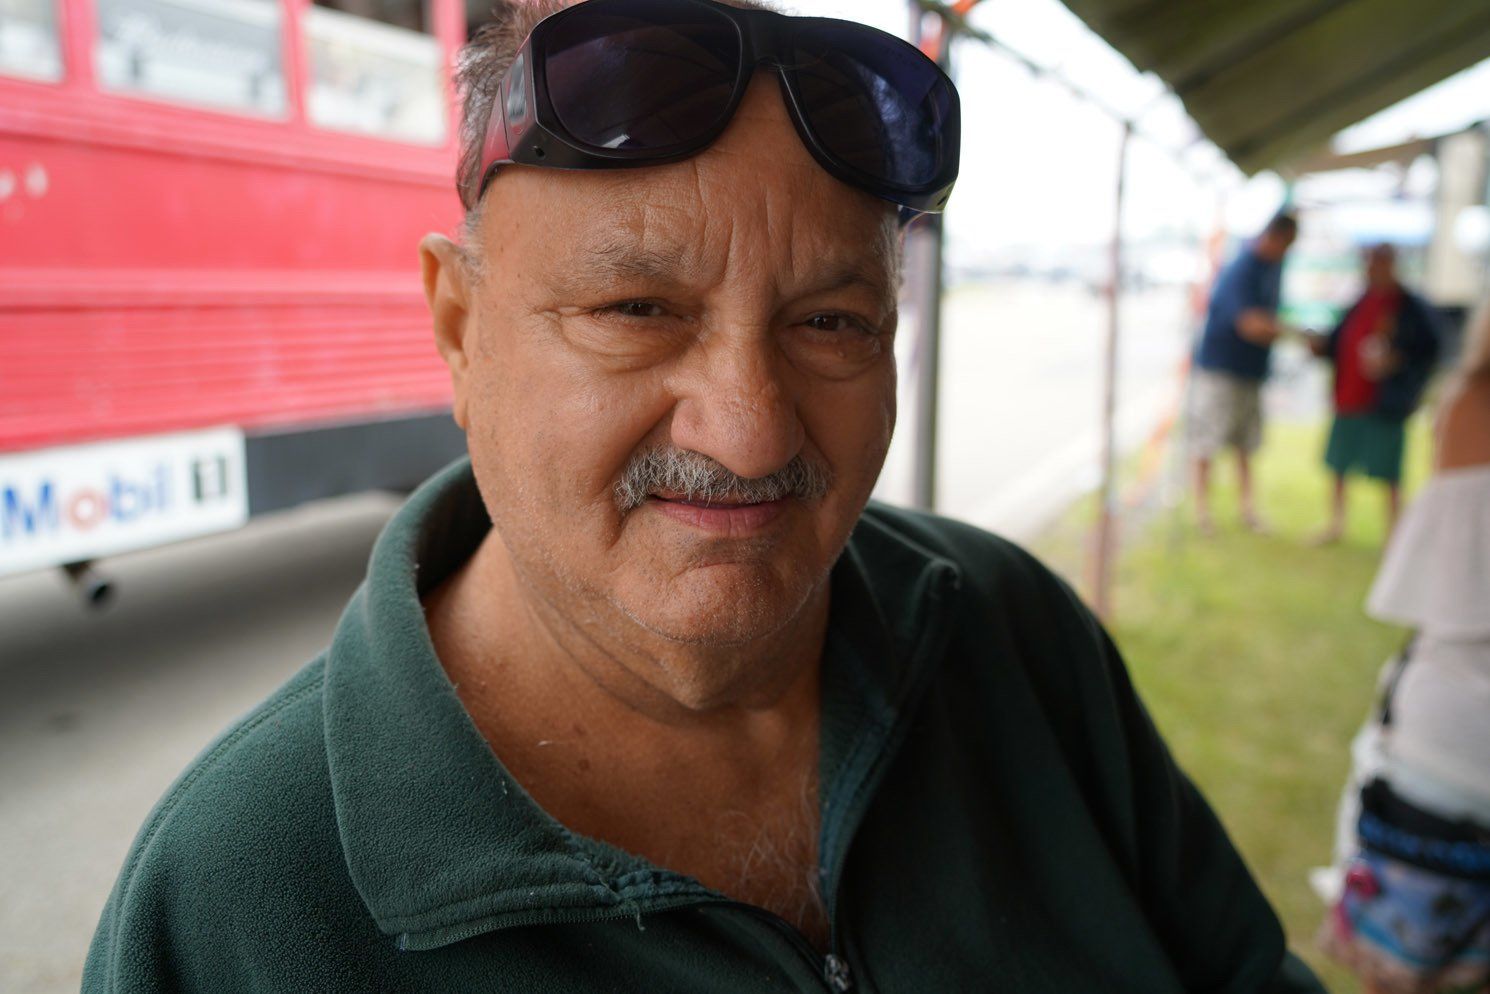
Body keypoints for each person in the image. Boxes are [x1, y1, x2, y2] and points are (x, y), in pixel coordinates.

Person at [83, 2, 1324, 990]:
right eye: (636, 311)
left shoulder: (1009, 631)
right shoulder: (237, 900)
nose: (745, 432)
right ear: (460, 330)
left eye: (830, 322)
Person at [1318, 300, 1490, 993]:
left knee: (1397, 971)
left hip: (1447, 731)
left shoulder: (1471, 406)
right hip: (1446, 737)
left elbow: (1447, 576)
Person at [1310, 244, 1440, 543]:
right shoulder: (1360, 301)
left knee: (1388, 469)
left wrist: (1398, 360)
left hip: (1385, 401)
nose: (1371, 270)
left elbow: (1429, 349)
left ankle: (1395, 531)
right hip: (1350, 396)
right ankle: (1336, 524)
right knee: (1340, 462)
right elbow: (1337, 341)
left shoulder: (1409, 306)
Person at [1189, 212, 1299, 534]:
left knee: (1246, 443)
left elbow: (1263, 322)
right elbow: (1249, 325)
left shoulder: (1273, 268)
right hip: (1222, 368)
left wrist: (1275, 329)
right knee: (1208, 439)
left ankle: (1247, 509)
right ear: (1275, 237)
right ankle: (1202, 511)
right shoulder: (1242, 268)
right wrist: (1291, 333)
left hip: (1251, 369)